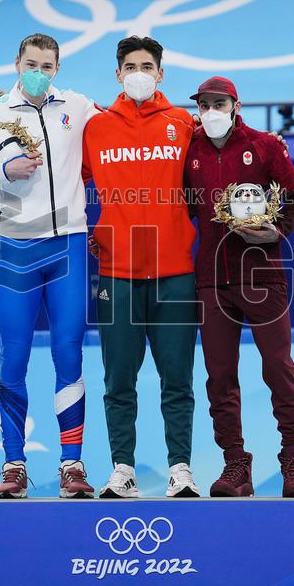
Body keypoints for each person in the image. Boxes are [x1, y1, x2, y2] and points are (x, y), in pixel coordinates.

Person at [0, 33, 98, 499]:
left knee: (68, 355)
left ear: (58, 68)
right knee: (14, 357)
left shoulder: (78, 106)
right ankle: (13, 464)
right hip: (18, 250)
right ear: (17, 63)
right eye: (31, 64)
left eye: (46, 66)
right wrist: (2, 171)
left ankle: (72, 465)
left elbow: (128, 131)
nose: (38, 72)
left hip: (68, 246)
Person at [183, 76, 294, 498]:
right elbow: (180, 207)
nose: (211, 111)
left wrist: (277, 231)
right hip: (211, 280)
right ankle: (235, 464)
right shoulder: (189, 151)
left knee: (278, 368)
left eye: (219, 104)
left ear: (236, 107)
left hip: (263, 277)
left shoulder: (265, 146)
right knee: (219, 376)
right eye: (204, 105)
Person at [82, 36, 200, 498]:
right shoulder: (96, 128)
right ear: (118, 74)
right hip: (117, 273)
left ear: (160, 73)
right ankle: (123, 470)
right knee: (118, 381)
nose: (138, 73)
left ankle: (181, 469)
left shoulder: (183, 124)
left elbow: (220, 160)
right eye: (130, 66)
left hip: (175, 272)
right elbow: (62, 181)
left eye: (146, 66)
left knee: (178, 380)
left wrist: (268, 143)